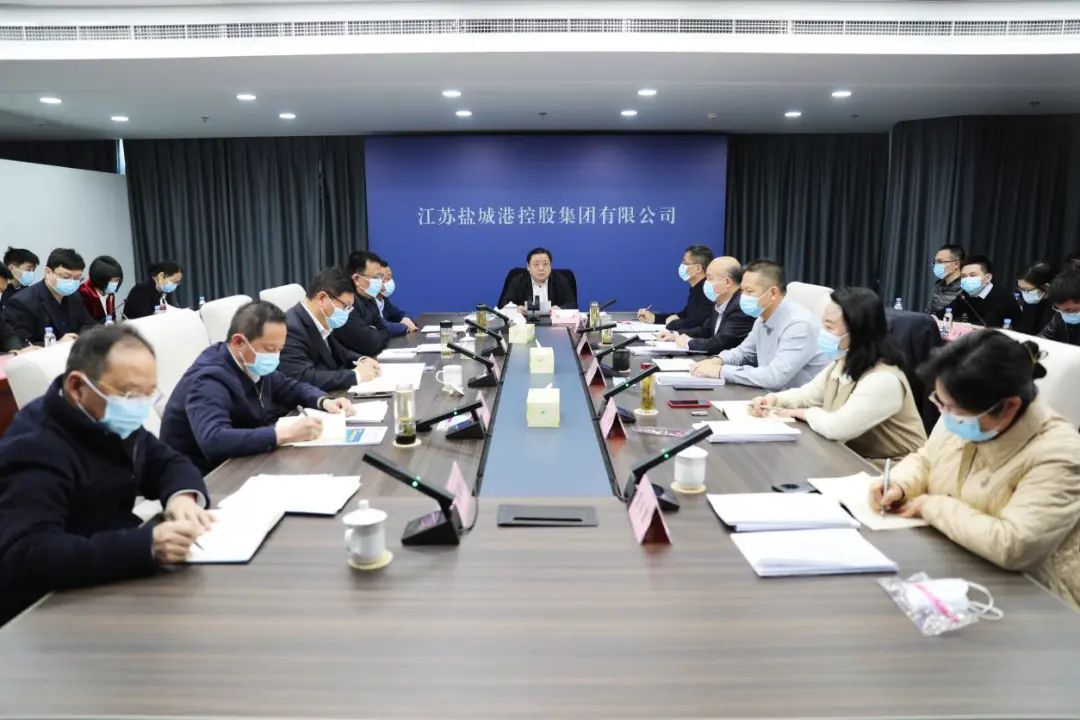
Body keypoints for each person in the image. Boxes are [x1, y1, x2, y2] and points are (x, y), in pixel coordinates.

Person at [0, 325, 212, 624]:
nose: (139, 406)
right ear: (77, 387)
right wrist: (146, 546)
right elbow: (27, 555)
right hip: (53, 607)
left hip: (112, 575)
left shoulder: (107, 418)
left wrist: (182, 497)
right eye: (130, 394)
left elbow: (167, 462)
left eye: (148, 394)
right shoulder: (34, 446)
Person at [870, 330, 1080, 608]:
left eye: (953, 408)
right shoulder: (970, 416)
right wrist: (898, 484)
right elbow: (926, 459)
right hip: (957, 564)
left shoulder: (1059, 453)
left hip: (1037, 599)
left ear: (1008, 407)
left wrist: (931, 506)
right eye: (939, 402)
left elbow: (1014, 545)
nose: (945, 415)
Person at [161, 300, 355, 474]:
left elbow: (290, 387)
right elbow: (214, 440)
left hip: (241, 461)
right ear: (238, 342)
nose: (275, 357)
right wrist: (285, 434)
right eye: (270, 349)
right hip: (201, 479)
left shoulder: (250, 362)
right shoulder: (209, 378)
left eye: (280, 349)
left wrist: (324, 401)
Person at [749, 288, 927, 467]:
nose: (822, 332)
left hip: (894, 470)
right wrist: (774, 400)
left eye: (829, 327)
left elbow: (837, 428)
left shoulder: (884, 379)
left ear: (857, 331)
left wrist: (804, 413)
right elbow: (807, 395)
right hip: (853, 459)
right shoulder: (844, 361)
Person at [690, 260, 828, 390]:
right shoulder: (762, 318)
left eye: (749, 291)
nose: (743, 297)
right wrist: (718, 360)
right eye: (742, 291)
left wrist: (722, 371)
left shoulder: (799, 325)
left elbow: (774, 377)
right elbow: (744, 353)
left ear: (773, 293)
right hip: (769, 396)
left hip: (796, 402)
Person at [280, 267, 380, 394]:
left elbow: (338, 351)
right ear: (322, 298)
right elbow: (303, 377)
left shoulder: (322, 319)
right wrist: (356, 375)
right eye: (345, 307)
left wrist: (361, 360)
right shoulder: (289, 328)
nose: (347, 313)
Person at [656, 256, 754, 354]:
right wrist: (675, 335)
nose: (705, 283)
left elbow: (720, 343)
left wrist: (688, 343)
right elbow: (704, 331)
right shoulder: (719, 303)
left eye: (709, 278)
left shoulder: (741, 307)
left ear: (727, 282)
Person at [2, 247, 96, 345]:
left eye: (77, 278)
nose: (71, 282)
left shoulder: (74, 296)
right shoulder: (21, 302)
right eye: (66, 277)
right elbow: (21, 344)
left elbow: (89, 324)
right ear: (48, 272)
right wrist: (57, 344)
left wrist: (82, 337)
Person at [636, 244, 715, 331]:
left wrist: (674, 323)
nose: (681, 265)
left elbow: (696, 324)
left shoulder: (707, 292)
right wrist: (654, 318)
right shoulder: (697, 289)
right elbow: (684, 315)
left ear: (698, 268)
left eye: (685, 262)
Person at [335, 251, 391, 360]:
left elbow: (386, 330)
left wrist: (374, 331)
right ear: (357, 279)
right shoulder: (344, 302)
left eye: (380, 277)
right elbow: (369, 344)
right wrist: (375, 332)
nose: (380, 282)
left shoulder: (369, 296)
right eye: (375, 277)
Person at [498, 247, 577, 311]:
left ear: (550, 266)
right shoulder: (518, 280)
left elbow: (572, 304)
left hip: (553, 322)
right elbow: (503, 303)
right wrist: (516, 309)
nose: (541, 268)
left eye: (545, 264)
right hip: (525, 323)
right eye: (536, 264)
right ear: (528, 267)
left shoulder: (560, 279)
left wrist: (560, 308)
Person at [953, 255, 1020, 328]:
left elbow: (985, 326)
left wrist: (959, 325)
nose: (967, 280)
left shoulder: (1002, 298)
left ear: (988, 278)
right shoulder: (965, 294)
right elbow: (948, 313)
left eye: (972, 275)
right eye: (963, 276)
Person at [374, 256, 418, 336]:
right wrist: (405, 327)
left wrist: (406, 319)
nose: (390, 282)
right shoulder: (367, 302)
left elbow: (399, 314)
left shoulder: (384, 299)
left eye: (391, 277)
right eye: (387, 278)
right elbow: (381, 326)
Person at [1013, 261, 1056, 336]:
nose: (1024, 293)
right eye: (1020, 289)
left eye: (1027, 289)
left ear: (1046, 287)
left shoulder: (1058, 308)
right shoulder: (1029, 303)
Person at [77, 255, 124, 323]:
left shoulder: (110, 294)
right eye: (111, 281)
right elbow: (84, 323)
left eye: (117, 280)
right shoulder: (83, 292)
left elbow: (112, 318)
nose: (115, 284)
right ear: (100, 279)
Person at [1039, 271, 1080, 346]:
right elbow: (1043, 337)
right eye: (1059, 309)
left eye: (1068, 310)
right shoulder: (1060, 315)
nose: (1064, 315)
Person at [924, 244, 965, 318]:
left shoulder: (965, 287)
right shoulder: (938, 285)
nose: (936, 265)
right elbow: (928, 312)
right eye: (935, 262)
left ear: (956, 264)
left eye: (940, 262)